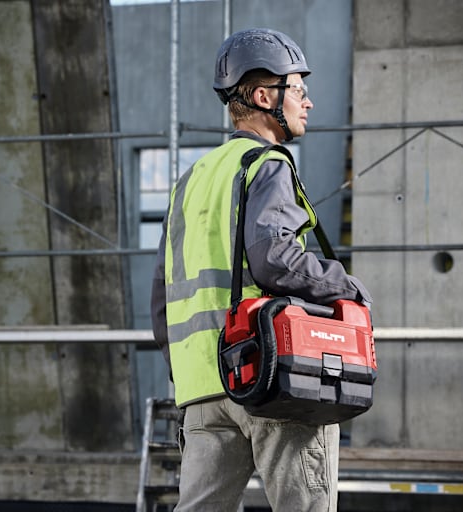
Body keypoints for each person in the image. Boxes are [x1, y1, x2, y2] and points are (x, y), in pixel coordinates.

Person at [150, 28, 373, 511]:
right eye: (299, 89)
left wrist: (191, 376)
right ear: (262, 95)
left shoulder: (190, 180)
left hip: (202, 388)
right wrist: (348, 287)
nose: (308, 102)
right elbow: (274, 258)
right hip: (272, 376)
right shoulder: (266, 163)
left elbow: (161, 300)